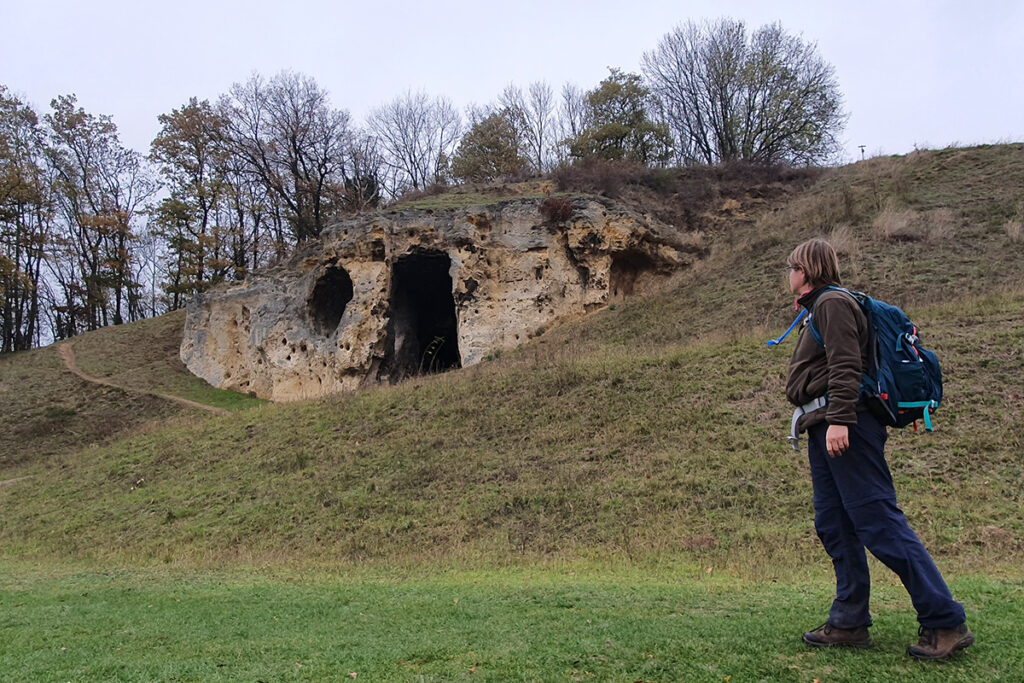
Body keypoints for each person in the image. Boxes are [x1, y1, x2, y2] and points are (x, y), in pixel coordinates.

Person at [783, 238, 974, 660]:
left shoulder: (832, 303)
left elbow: (846, 365)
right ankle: (849, 621)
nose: (788, 274)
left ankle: (945, 621)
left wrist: (840, 419)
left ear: (808, 270)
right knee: (834, 522)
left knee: (877, 521)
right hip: (825, 426)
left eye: (792, 266)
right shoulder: (820, 307)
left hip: (845, 425)